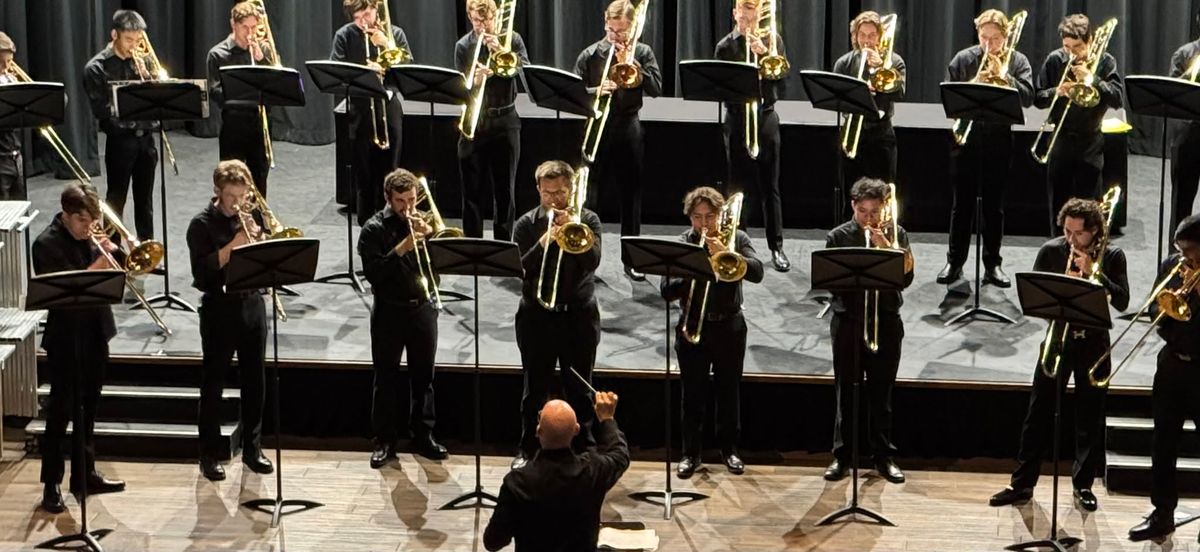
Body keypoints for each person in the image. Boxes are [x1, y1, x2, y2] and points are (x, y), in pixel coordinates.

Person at [989, 198, 1129, 512]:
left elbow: (1122, 301)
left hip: (1093, 342)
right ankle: (1022, 484)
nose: (1070, 240)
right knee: (1037, 411)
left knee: (1089, 416)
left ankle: (1083, 486)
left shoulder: (1113, 255)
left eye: (1077, 234)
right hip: (1057, 340)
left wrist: (1095, 275)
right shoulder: (1052, 251)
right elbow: (1037, 296)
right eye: (1066, 231)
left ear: (1094, 232)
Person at [32, 182, 126, 513]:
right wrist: (99, 262)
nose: (89, 228)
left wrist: (118, 248)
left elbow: (122, 269)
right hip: (65, 336)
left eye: (92, 221)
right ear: (67, 215)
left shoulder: (93, 235)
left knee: (89, 409)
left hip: (95, 331)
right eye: (83, 221)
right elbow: (66, 290)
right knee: (61, 413)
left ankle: (84, 474)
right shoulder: (46, 244)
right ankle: (51, 485)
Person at [661, 187, 764, 478]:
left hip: (729, 326)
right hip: (693, 325)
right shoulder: (684, 242)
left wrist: (727, 254)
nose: (704, 224)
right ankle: (690, 453)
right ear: (690, 217)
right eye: (697, 217)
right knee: (691, 394)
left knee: (728, 391)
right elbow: (666, 291)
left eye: (710, 216)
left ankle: (729, 450)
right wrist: (695, 265)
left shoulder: (737, 238)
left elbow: (757, 272)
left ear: (720, 215)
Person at [510, 160, 602, 470]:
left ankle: (586, 450)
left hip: (578, 318)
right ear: (539, 190)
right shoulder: (526, 224)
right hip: (537, 318)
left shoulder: (587, 220)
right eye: (548, 193)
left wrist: (574, 231)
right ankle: (527, 448)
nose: (555, 200)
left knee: (580, 386)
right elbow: (520, 269)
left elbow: (593, 262)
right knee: (534, 387)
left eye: (561, 193)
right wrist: (544, 240)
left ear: (571, 190)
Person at [822, 177, 914, 484]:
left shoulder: (896, 233)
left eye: (875, 212)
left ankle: (883, 456)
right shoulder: (838, 236)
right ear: (853, 207)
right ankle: (842, 456)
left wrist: (888, 249)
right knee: (845, 392)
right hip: (849, 322)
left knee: (881, 394)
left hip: (886, 322)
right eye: (863, 212)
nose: (870, 218)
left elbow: (907, 279)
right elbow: (828, 282)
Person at [185, 160, 273, 481]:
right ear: (217, 192)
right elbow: (202, 271)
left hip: (251, 304)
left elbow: (268, 257)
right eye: (231, 196)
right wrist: (233, 246)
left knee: (255, 381)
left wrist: (261, 241)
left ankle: (252, 449)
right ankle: (208, 454)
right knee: (214, 383)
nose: (237, 203)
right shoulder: (201, 225)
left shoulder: (254, 215)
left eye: (242, 195)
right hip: (219, 308)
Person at [938, 9, 1034, 288]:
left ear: (1005, 36)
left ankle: (992, 265)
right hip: (965, 141)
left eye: (995, 38)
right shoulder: (964, 59)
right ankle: (955, 262)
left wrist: (1006, 80)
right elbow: (948, 97)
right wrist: (974, 85)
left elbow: (1028, 97)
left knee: (994, 207)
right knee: (961, 206)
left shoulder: (1017, 61)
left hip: (998, 141)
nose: (989, 45)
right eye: (984, 37)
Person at [357, 168, 448, 466]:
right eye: (400, 201)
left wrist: (432, 240)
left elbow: (440, 265)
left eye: (411, 199)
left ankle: (424, 435)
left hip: (422, 308)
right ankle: (384, 440)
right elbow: (375, 274)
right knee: (386, 378)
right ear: (388, 197)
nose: (408, 207)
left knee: (425, 377)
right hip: (389, 310)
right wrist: (404, 246)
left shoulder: (425, 221)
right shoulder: (373, 229)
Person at [575, 0, 662, 280]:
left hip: (628, 127)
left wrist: (635, 68)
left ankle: (631, 260)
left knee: (631, 196)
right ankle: (586, 260)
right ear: (605, 22)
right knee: (591, 197)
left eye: (623, 32)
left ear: (632, 27)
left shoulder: (643, 51)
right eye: (613, 31)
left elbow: (657, 89)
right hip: (597, 125)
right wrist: (596, 90)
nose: (617, 37)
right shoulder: (590, 54)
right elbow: (574, 94)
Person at [1128, 215, 1200, 542]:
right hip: (1172, 366)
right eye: (1179, 249)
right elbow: (1154, 315)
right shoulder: (1173, 265)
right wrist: (1174, 299)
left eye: (1189, 250)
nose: (1183, 257)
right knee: (1163, 442)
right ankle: (1162, 514)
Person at [483, 392, 629, 552]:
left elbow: (493, 542)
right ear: (576, 430)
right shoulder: (593, 471)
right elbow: (620, 455)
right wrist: (607, 418)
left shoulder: (517, 482)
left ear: (538, 431)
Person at [715, 0, 789, 272]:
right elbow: (720, 87)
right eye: (743, 16)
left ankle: (776, 247)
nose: (748, 21)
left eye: (753, 16)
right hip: (736, 118)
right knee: (737, 187)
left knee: (771, 186)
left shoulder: (773, 41)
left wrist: (762, 55)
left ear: (760, 15)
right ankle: (737, 242)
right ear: (735, 14)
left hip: (765, 115)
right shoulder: (725, 46)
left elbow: (781, 81)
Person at [1034, 14, 1123, 220]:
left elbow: (1118, 99)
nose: (1072, 53)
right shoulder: (1055, 59)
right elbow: (1037, 98)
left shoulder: (1105, 61)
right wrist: (1057, 91)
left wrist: (1092, 79)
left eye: (1077, 47)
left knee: (1089, 210)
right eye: (1067, 47)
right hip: (1060, 140)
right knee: (1058, 208)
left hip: (1090, 143)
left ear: (1089, 41)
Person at [456, 0, 529, 242]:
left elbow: (527, 73)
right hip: (474, 122)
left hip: (505, 121)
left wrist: (500, 51)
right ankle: (473, 246)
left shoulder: (513, 39)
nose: (483, 26)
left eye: (487, 20)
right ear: (470, 18)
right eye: (477, 21)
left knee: (505, 191)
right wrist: (473, 82)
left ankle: (503, 246)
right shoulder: (463, 46)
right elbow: (458, 89)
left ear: (496, 17)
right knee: (471, 192)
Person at [83, 9, 159, 241]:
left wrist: (150, 82)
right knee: (116, 199)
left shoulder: (143, 61)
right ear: (114, 34)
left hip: (146, 139)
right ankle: (113, 253)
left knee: (145, 200)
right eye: (128, 40)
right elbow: (101, 111)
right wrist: (129, 99)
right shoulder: (97, 67)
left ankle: (147, 247)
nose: (133, 46)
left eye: (138, 40)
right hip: (120, 141)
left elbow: (159, 100)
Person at [331, 0, 408, 226]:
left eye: (367, 13)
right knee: (363, 177)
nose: (363, 21)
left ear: (376, 9)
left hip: (389, 108)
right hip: (360, 111)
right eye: (357, 17)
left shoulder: (394, 33)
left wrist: (386, 45)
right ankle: (367, 230)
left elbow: (408, 68)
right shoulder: (344, 36)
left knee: (391, 175)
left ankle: (393, 227)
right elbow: (337, 72)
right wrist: (366, 72)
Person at [833, 11, 905, 209]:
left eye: (872, 35)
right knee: (851, 190)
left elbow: (900, 93)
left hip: (881, 135)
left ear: (880, 36)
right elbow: (837, 97)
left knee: (884, 192)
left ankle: (884, 236)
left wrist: (880, 68)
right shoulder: (844, 63)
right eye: (862, 35)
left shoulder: (894, 62)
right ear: (855, 36)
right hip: (852, 133)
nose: (867, 40)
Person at [206, 1, 275, 196]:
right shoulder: (218, 54)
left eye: (254, 27)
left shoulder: (264, 51)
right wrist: (240, 92)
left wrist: (263, 61)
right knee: (230, 181)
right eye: (245, 27)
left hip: (259, 123)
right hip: (234, 125)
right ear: (233, 24)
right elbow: (215, 91)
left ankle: (259, 224)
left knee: (259, 180)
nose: (250, 33)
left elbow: (278, 85)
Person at [1169, 18, 1200, 238]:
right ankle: (1178, 256)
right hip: (1188, 137)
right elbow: (1171, 94)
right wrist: (1192, 75)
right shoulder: (1185, 54)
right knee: (1182, 200)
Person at [0, 32, 24, 200]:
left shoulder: (8, 79)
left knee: (22, 216)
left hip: (15, 158)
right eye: (1, 63)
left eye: (9, 62)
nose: (5, 68)